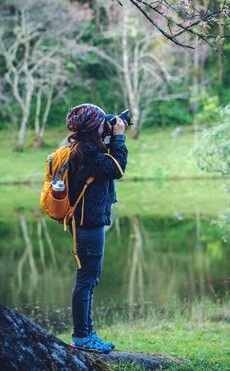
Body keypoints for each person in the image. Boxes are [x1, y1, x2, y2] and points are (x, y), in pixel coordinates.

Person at [65, 103, 128, 352]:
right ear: (94, 127)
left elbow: (109, 164)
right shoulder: (88, 153)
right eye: (102, 122)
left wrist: (111, 136)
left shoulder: (84, 148)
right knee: (86, 281)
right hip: (87, 224)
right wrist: (120, 138)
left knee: (88, 280)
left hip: (85, 222)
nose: (106, 124)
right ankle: (82, 337)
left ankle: (86, 333)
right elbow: (117, 168)